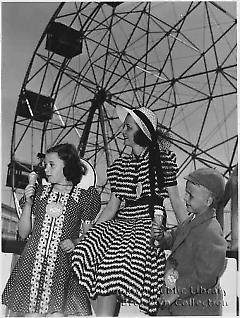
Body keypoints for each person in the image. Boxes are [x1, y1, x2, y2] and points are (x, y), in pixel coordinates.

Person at [72, 106, 187, 316]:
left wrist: (190, 232)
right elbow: (111, 208)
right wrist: (88, 235)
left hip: (147, 223)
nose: (122, 131)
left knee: (113, 267)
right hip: (121, 224)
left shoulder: (162, 161)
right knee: (85, 254)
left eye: (128, 127)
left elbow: (176, 202)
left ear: (142, 132)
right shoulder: (121, 166)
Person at [2, 143, 101, 317]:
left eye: (51, 164)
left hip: (62, 271)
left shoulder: (83, 198)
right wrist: (29, 203)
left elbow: (90, 236)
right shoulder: (40, 193)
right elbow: (24, 233)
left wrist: (75, 242)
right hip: (31, 267)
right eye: (45, 164)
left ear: (68, 166)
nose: (46, 169)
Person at [153, 168, 227, 316]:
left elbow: (208, 275)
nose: (185, 198)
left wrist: (176, 292)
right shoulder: (190, 222)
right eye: (186, 193)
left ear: (208, 201)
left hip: (196, 305)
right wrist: (163, 237)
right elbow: (175, 238)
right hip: (175, 299)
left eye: (190, 195)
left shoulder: (211, 231)